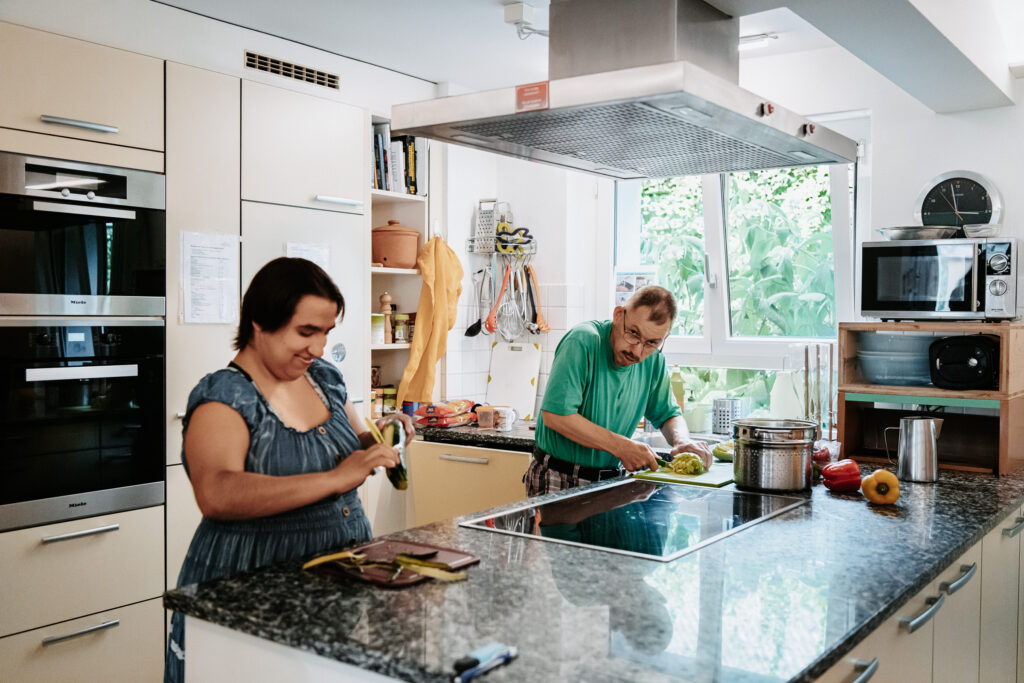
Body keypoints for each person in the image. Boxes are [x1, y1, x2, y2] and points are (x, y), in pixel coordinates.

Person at [164, 257, 413, 682]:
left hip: (334, 584)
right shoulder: (224, 396)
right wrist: (336, 479)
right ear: (260, 322)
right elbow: (217, 492)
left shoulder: (325, 379)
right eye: (306, 332)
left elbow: (350, 446)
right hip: (249, 587)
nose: (317, 348)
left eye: (326, 332)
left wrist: (383, 437)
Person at [525, 285, 712, 496]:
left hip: (610, 482)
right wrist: (621, 446)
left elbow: (668, 414)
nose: (638, 351)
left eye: (652, 342)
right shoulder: (582, 342)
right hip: (558, 477)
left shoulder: (653, 361)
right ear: (618, 315)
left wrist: (682, 441)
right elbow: (556, 416)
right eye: (633, 333)